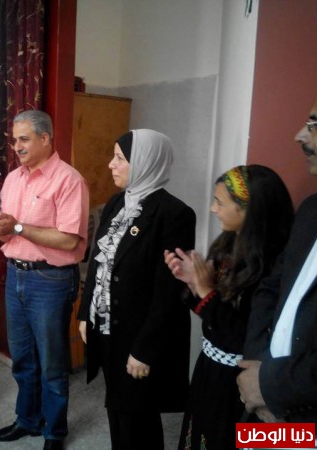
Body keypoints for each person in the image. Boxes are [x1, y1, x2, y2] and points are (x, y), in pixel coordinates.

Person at [77, 129, 195, 450]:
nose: (110, 164)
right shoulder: (118, 202)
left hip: (138, 337)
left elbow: (169, 293)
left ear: (144, 162)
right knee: (118, 410)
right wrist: (86, 313)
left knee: (139, 420)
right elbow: (99, 262)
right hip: (108, 329)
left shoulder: (174, 214)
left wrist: (145, 349)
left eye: (120, 158)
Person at [164, 165, 294, 450]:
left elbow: (240, 337)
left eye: (220, 202)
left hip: (239, 380)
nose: (213, 209)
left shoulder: (273, 265)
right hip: (210, 369)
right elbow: (213, 318)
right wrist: (193, 284)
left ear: (250, 210)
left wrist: (205, 290)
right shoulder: (227, 245)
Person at [0, 110, 89, 450]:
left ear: (45, 138)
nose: (17, 146)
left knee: (52, 365)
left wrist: (16, 226)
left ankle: (54, 432)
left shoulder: (69, 180)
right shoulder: (13, 178)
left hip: (50, 280)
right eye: (14, 140)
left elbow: (69, 240)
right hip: (15, 273)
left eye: (24, 139)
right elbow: (10, 235)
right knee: (23, 359)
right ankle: (27, 420)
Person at [237, 96, 317, 428]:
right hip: (265, 407)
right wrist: (257, 370)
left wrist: (273, 385)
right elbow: (270, 289)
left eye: (314, 125)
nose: (299, 135)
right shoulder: (310, 210)